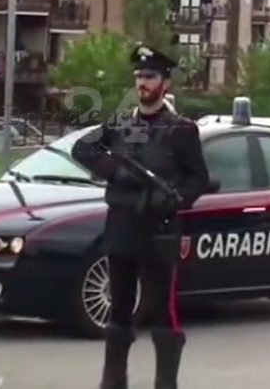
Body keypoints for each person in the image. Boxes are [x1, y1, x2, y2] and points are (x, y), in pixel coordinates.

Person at [71, 44, 210, 389]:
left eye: (150, 77)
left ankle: (165, 383)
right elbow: (82, 149)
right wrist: (115, 171)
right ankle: (113, 381)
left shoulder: (180, 129)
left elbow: (198, 179)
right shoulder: (122, 124)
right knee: (119, 308)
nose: (142, 83)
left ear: (165, 83)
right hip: (122, 227)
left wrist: (176, 199)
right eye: (139, 76)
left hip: (159, 230)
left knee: (163, 311)